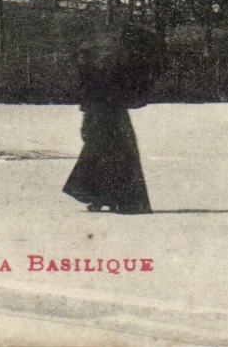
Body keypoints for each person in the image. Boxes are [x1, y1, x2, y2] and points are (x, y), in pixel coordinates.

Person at [62, 21, 160, 214]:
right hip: (115, 113)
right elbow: (131, 92)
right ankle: (119, 199)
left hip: (98, 112)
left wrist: (86, 114)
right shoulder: (122, 65)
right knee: (120, 154)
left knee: (97, 153)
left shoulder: (90, 67)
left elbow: (86, 93)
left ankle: (98, 197)